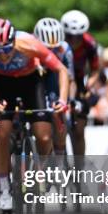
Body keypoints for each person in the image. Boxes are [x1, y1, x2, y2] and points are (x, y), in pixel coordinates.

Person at [0, 18, 69, 210]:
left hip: (31, 81)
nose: (2, 55)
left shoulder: (29, 44)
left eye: (7, 49)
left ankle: (41, 173)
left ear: (14, 42)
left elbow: (60, 69)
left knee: (44, 136)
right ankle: (4, 190)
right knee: (2, 132)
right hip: (3, 84)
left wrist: (62, 100)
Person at [33, 17, 75, 155]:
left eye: (54, 47)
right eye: (46, 47)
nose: (50, 50)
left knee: (58, 112)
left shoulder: (65, 49)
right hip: (34, 77)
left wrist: (68, 100)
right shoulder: (29, 45)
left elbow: (69, 78)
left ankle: (59, 156)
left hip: (54, 77)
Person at [61, 10, 100, 156]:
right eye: (70, 36)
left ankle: (79, 170)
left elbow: (95, 70)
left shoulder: (90, 44)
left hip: (78, 81)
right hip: (59, 79)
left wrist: (89, 83)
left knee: (79, 130)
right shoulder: (57, 41)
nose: (74, 41)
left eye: (78, 37)